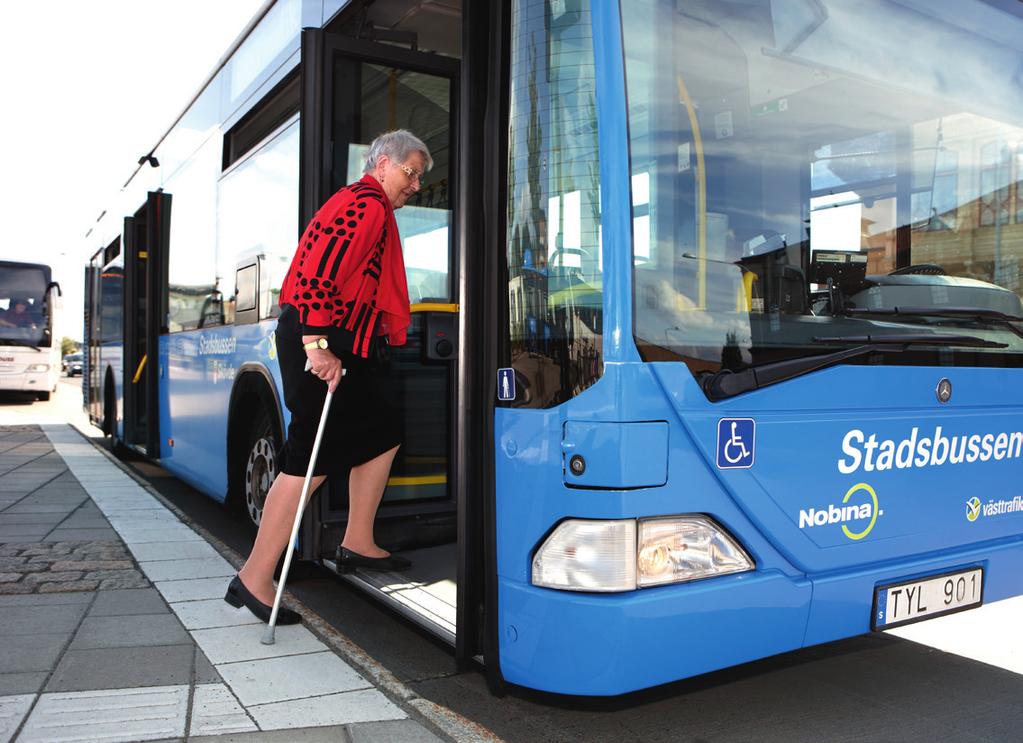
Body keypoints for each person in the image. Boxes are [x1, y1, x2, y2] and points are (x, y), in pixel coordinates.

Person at [225, 130, 431, 624]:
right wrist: (316, 346)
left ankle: (357, 539)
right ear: (382, 164)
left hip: (342, 344)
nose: (417, 185)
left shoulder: (364, 204)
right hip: (322, 341)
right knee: (308, 463)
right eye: (411, 172)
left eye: (420, 177)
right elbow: (319, 273)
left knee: (383, 433)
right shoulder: (366, 204)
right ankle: (254, 576)